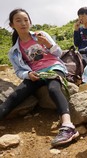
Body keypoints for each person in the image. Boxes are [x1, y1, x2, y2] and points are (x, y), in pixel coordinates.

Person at [1, 8, 79, 147]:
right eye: (18, 20)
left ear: (30, 22)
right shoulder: (14, 51)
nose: (23, 23)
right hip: (36, 74)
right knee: (15, 96)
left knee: (54, 88)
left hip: (54, 67)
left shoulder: (41, 35)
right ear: (12, 25)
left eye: (26, 20)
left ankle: (68, 126)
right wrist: (28, 74)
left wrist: (49, 44)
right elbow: (19, 70)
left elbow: (58, 53)